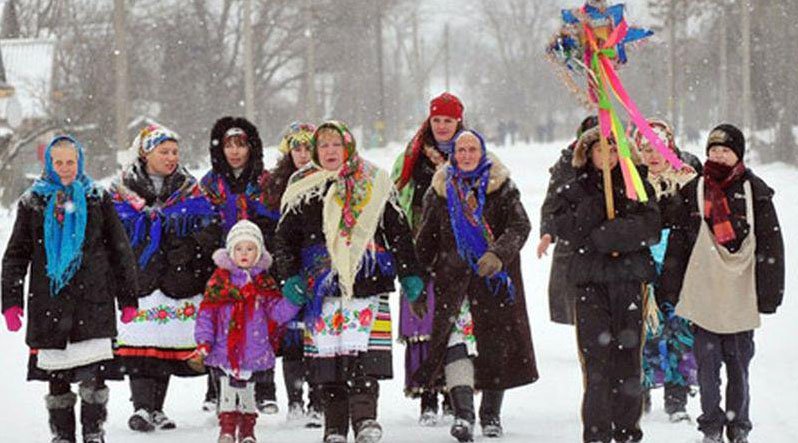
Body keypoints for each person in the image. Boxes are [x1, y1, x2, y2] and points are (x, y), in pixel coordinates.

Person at [273, 121, 423, 443]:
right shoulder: (302, 184)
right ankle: (335, 428)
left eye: (336, 145)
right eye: (323, 146)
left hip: (367, 282)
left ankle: (365, 420)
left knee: (365, 359)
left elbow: (398, 233)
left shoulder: (374, 182)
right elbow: (284, 240)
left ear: (348, 148)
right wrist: (288, 277)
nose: (330, 152)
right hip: (322, 290)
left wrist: (410, 272)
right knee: (329, 363)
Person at [2, 135, 139, 443]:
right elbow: (16, 254)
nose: (65, 168)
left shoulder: (95, 197)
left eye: (71, 162)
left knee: (93, 374)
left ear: (80, 162)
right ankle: (62, 435)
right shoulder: (32, 201)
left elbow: (119, 250)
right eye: (58, 162)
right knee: (58, 377)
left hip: (94, 300)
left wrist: (128, 297)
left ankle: (93, 432)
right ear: (49, 164)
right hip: (49, 302)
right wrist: (10, 300)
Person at [659, 124, 784, 443]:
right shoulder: (694, 191)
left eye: (725, 150)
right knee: (707, 366)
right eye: (713, 150)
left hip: (742, 293)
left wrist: (770, 293)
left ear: (738, 154)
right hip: (705, 293)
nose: (718, 155)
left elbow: (771, 245)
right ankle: (711, 425)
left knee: (739, 365)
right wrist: (669, 287)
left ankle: (738, 424)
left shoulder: (756, 191)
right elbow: (679, 244)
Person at [413, 130, 538, 442]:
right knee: (456, 346)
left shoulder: (502, 187)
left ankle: (491, 415)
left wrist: (498, 254)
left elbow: (520, 226)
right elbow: (425, 239)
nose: (466, 155)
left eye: (472, 149)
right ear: (453, 155)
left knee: (495, 348)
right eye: (461, 150)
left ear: (482, 153)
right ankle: (464, 416)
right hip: (453, 284)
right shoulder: (440, 190)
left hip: (494, 284)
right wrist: (416, 281)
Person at [551, 126, 661, 443]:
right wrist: (595, 209)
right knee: (596, 363)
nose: (608, 156)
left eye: (613, 150)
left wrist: (613, 235)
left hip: (628, 280)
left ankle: (627, 430)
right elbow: (567, 227)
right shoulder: (574, 188)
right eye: (601, 150)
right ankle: (596, 432)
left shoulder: (636, 184)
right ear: (588, 153)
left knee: (628, 359)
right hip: (590, 282)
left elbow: (650, 225)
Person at [111, 124, 215, 432]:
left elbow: (209, 228)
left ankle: (157, 408)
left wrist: (186, 245)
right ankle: (142, 407)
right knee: (139, 345)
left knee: (166, 344)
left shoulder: (190, 189)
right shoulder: (120, 190)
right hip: (138, 279)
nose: (171, 157)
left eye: (174, 152)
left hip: (177, 278)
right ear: (145, 153)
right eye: (163, 151)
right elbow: (110, 232)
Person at [197, 116, 282, 414]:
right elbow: (201, 223)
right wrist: (216, 249)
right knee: (222, 323)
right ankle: (215, 387)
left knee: (261, 324)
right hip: (222, 263)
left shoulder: (265, 181)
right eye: (229, 145)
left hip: (258, 261)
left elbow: (275, 219)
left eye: (241, 145)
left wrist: (260, 248)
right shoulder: (210, 183)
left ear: (251, 147)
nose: (234, 152)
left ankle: (265, 387)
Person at [194, 220, 304, 443]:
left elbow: (277, 313)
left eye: (250, 248)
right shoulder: (219, 282)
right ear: (230, 252)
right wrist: (204, 341)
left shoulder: (264, 283)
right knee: (226, 392)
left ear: (259, 252)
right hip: (224, 348)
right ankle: (226, 429)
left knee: (247, 394)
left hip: (253, 347)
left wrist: (292, 300)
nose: (245, 254)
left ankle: (247, 431)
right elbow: (207, 314)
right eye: (239, 249)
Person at [392, 92, 464, 425]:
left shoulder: (469, 152)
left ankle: (453, 391)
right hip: (418, 243)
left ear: (458, 121)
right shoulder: (412, 155)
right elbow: (395, 197)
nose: (442, 126)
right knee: (422, 320)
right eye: (437, 120)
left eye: (448, 120)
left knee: (453, 321)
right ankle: (426, 395)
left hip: (455, 246)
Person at [632, 119, 699, 422]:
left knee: (678, 334)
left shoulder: (686, 181)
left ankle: (677, 400)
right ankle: (640, 394)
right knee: (641, 333)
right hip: (641, 269)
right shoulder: (631, 182)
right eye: (645, 149)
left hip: (678, 266)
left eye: (658, 148)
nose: (652, 156)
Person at [263, 121, 323, 426]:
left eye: (307, 147)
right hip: (285, 266)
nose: (302, 153)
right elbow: (270, 227)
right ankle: (295, 400)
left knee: (319, 335)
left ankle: (318, 400)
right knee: (292, 338)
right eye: (296, 147)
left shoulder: (326, 177)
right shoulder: (275, 183)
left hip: (319, 265)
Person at [537, 115, 598, 325]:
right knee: (578, 306)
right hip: (574, 242)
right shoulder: (567, 162)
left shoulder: (621, 163)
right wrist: (547, 232)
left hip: (607, 245)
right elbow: (552, 203)